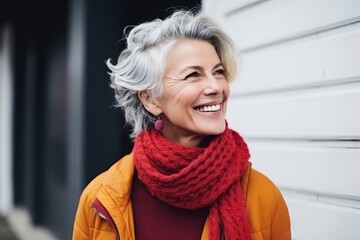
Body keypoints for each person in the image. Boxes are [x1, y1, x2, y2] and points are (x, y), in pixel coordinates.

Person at [72, 10, 291, 240]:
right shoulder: (98, 200)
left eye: (219, 72)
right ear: (150, 99)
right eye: (193, 75)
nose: (216, 87)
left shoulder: (264, 198)